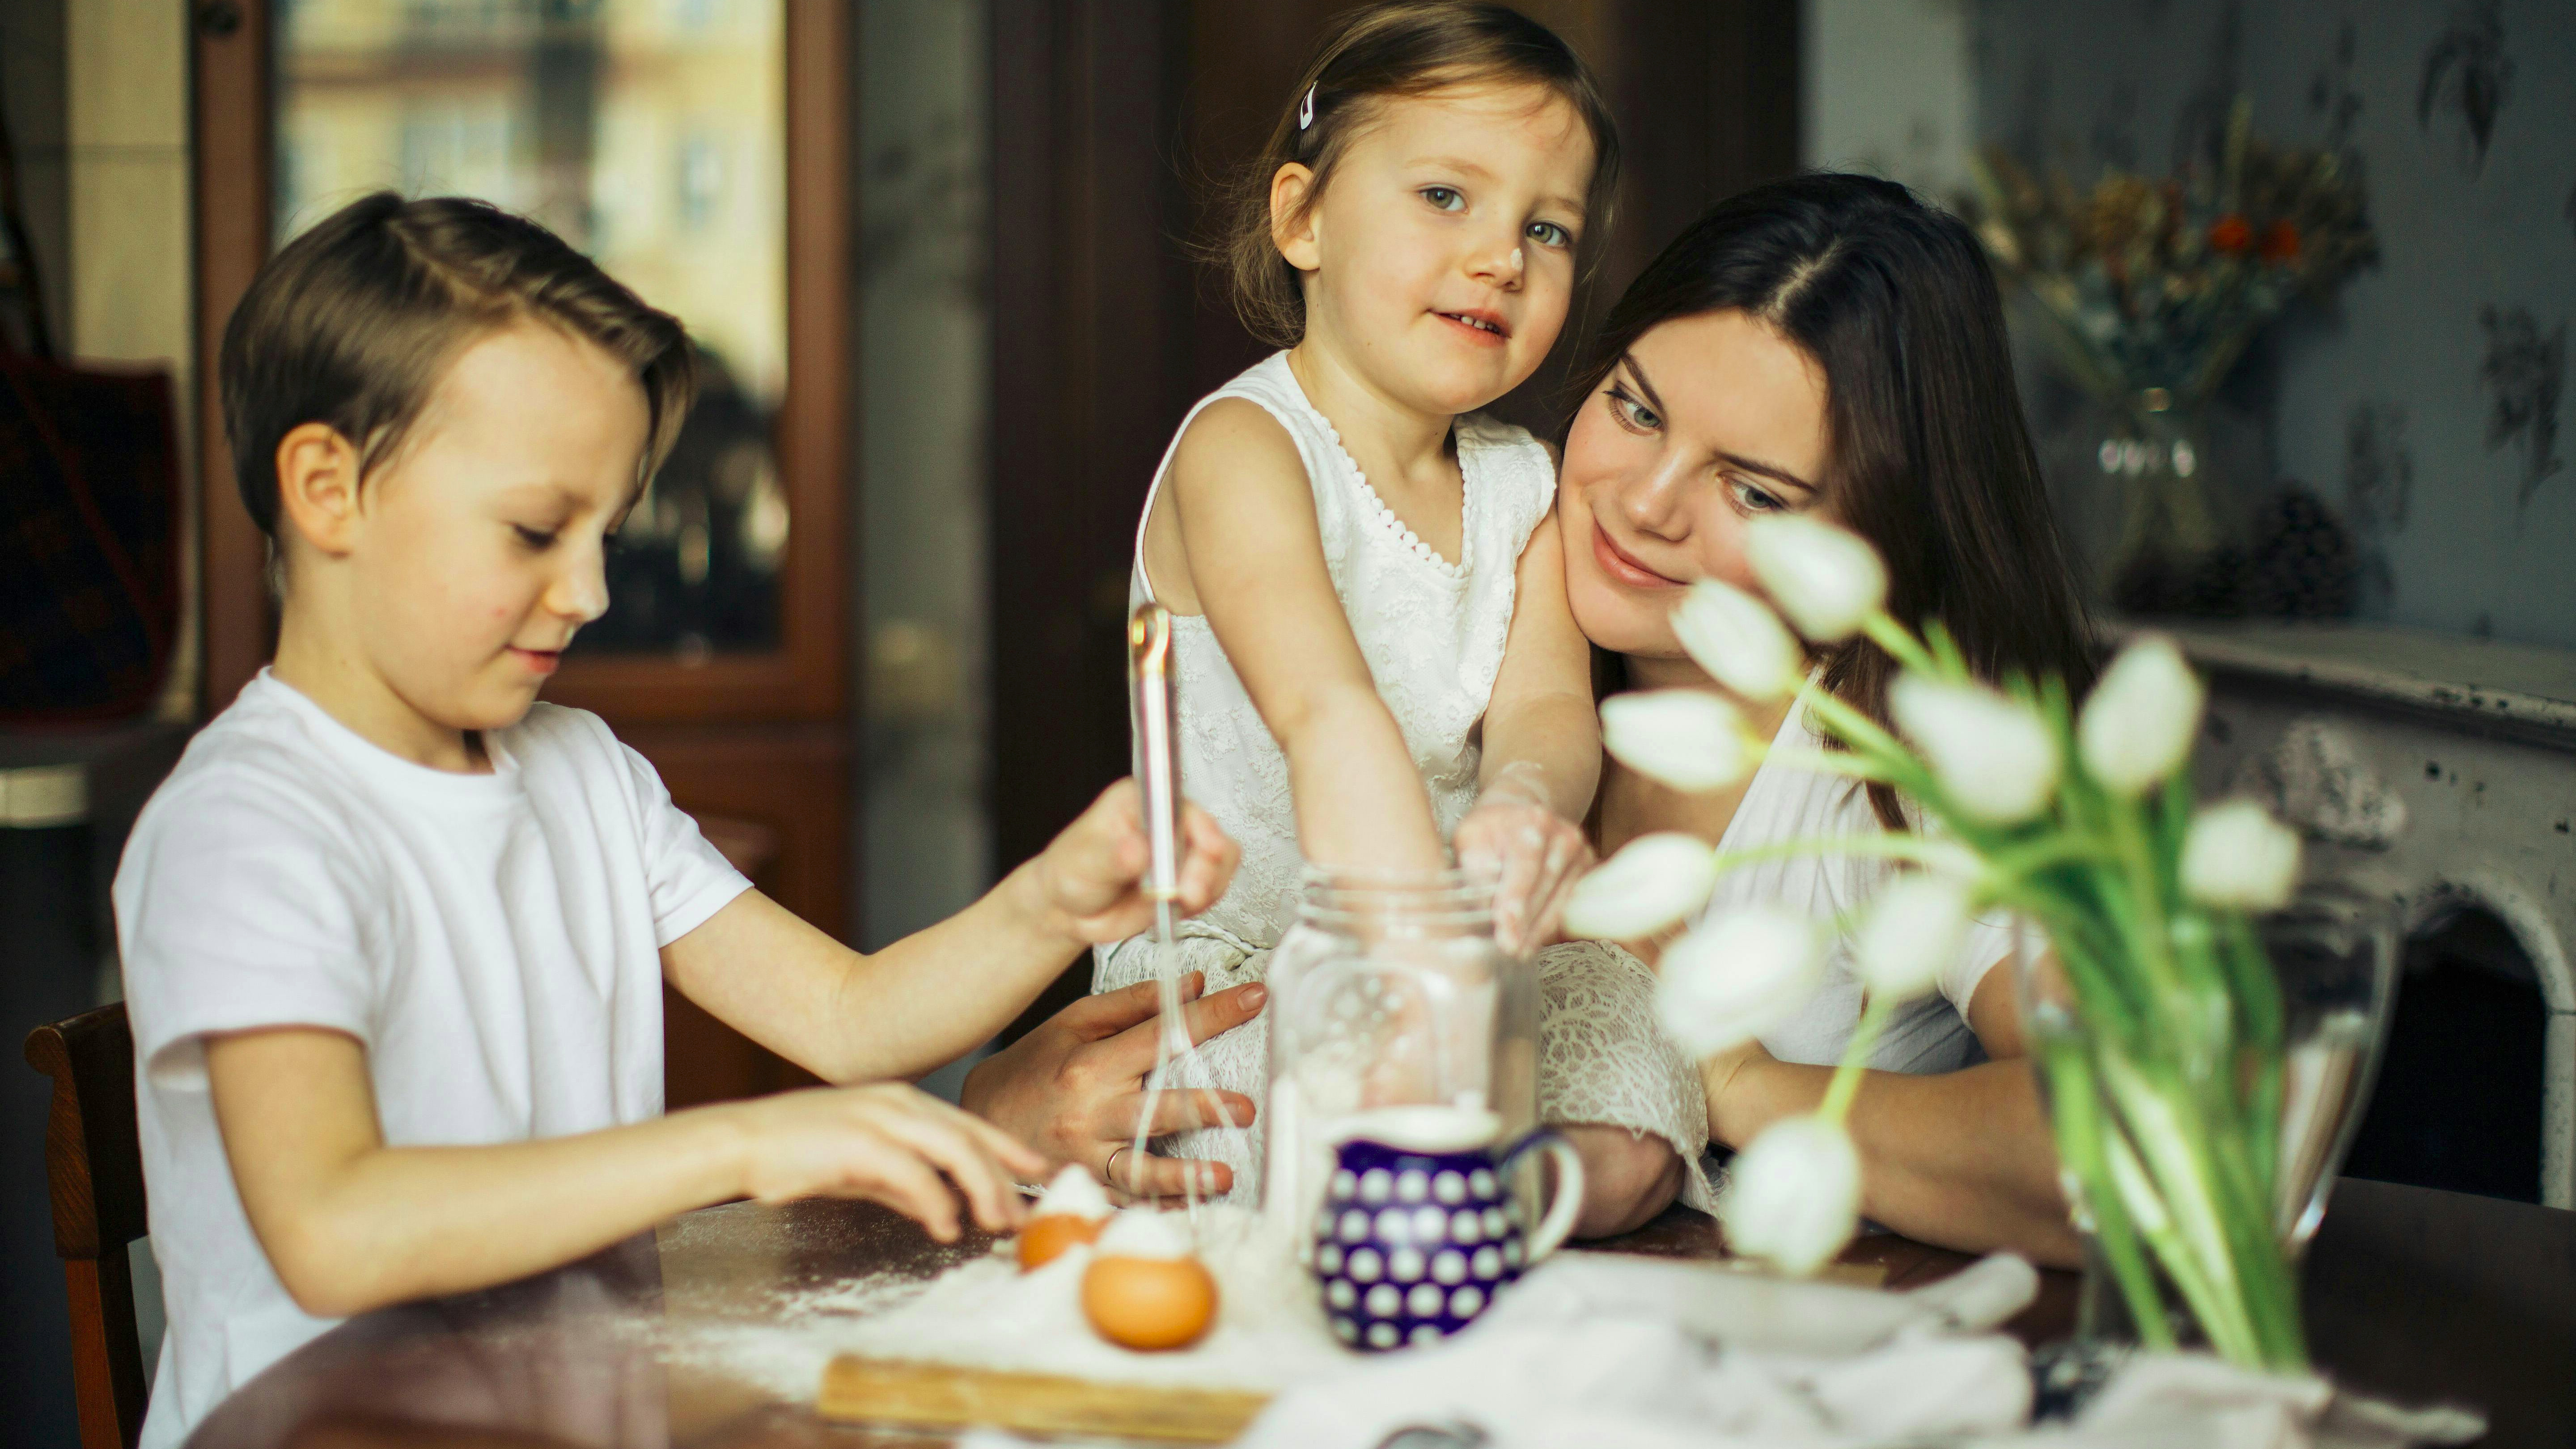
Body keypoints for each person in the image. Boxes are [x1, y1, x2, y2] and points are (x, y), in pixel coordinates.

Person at [114, 191, 1239, 1449]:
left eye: (606, 533)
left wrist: (1049, 900)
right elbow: (335, 1230)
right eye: (537, 531)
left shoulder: (580, 772)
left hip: (564, 1418)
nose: (589, 589)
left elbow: (850, 1020)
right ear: (328, 489)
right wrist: (742, 1147)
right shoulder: (249, 827)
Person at [1089, 0, 1618, 1200]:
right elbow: (1329, 714)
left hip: (1449, 958)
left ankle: (1508, 1193)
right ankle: (1450, 1190)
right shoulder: (1244, 448)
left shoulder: (1523, 487)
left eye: (1549, 227)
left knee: (1630, 1030)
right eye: (1446, 196)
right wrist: (1419, 967)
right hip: (1249, 958)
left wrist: (1527, 808)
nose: (1502, 257)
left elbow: (1549, 713)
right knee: (1269, 1117)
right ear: (1304, 217)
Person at [1543, 173, 2095, 1261]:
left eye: (1754, 492)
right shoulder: (1475, 620)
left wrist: (1737, 1081)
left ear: (1875, 540)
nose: (1645, 506)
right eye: (1636, 408)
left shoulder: (1917, 760)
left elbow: (2131, 1146)